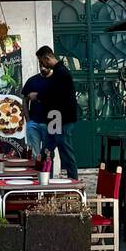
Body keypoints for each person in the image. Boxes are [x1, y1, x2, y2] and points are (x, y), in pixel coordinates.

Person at [35, 46, 80, 177]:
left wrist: (37, 96)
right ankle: (42, 177)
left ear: (47, 58)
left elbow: (55, 94)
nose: (41, 65)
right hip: (55, 118)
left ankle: (73, 181)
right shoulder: (58, 72)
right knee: (47, 148)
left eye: (41, 61)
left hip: (63, 118)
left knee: (65, 148)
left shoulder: (62, 73)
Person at [21, 64, 49, 159]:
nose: (43, 68)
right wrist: (28, 120)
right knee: (34, 154)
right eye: (41, 65)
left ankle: (49, 174)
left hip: (49, 123)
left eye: (45, 65)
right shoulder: (32, 80)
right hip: (33, 122)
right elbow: (24, 100)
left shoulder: (55, 81)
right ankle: (36, 174)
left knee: (48, 154)